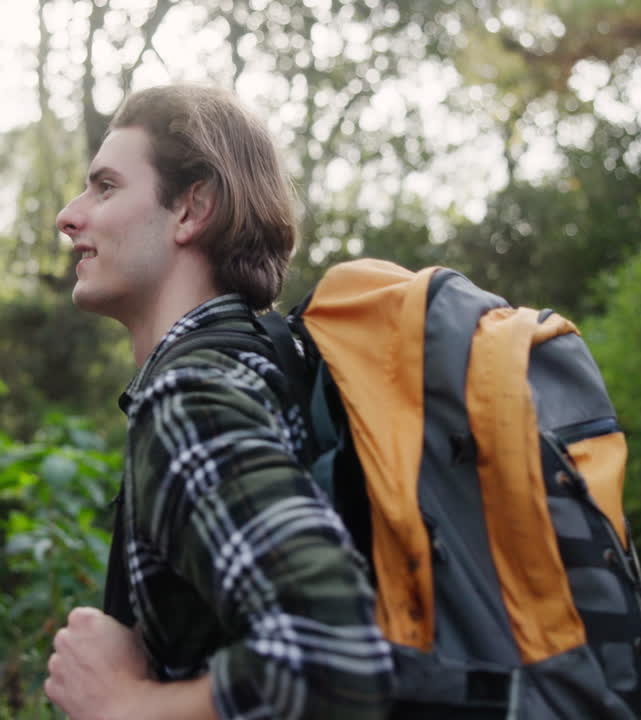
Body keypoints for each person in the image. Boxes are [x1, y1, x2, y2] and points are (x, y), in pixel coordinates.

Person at [44, 85, 394, 720]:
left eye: (106, 187)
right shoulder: (276, 359)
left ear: (192, 208)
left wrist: (124, 704)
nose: (69, 216)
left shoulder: (190, 393)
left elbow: (331, 658)